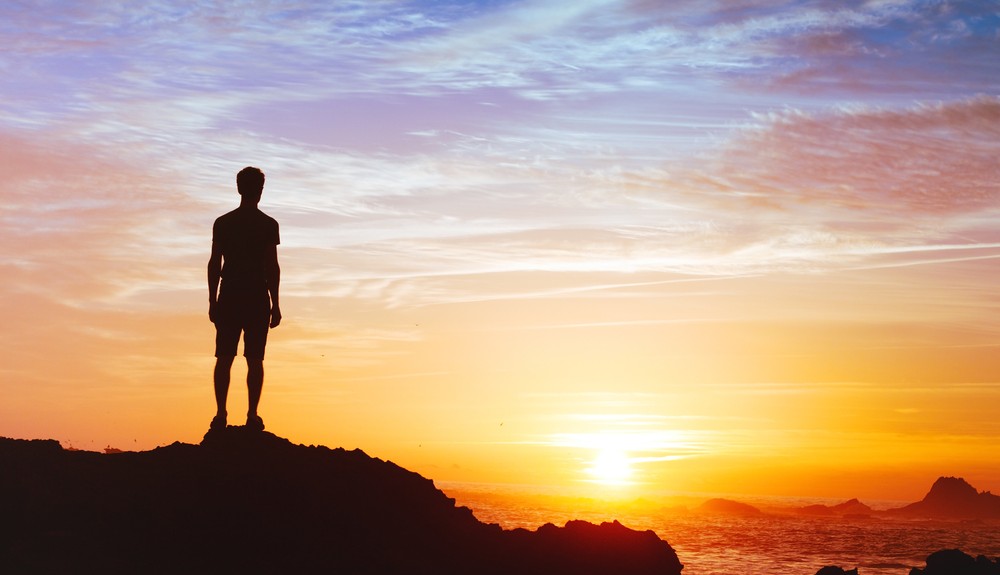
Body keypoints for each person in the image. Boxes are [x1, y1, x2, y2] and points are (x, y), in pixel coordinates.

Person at [207, 166, 281, 431]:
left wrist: (212, 300)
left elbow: (215, 263)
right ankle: (250, 415)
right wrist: (276, 303)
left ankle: (221, 415)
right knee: (254, 359)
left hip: (231, 295)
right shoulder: (267, 225)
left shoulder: (224, 223)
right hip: (255, 296)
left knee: (225, 357)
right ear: (259, 190)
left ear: (239, 188)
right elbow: (271, 266)